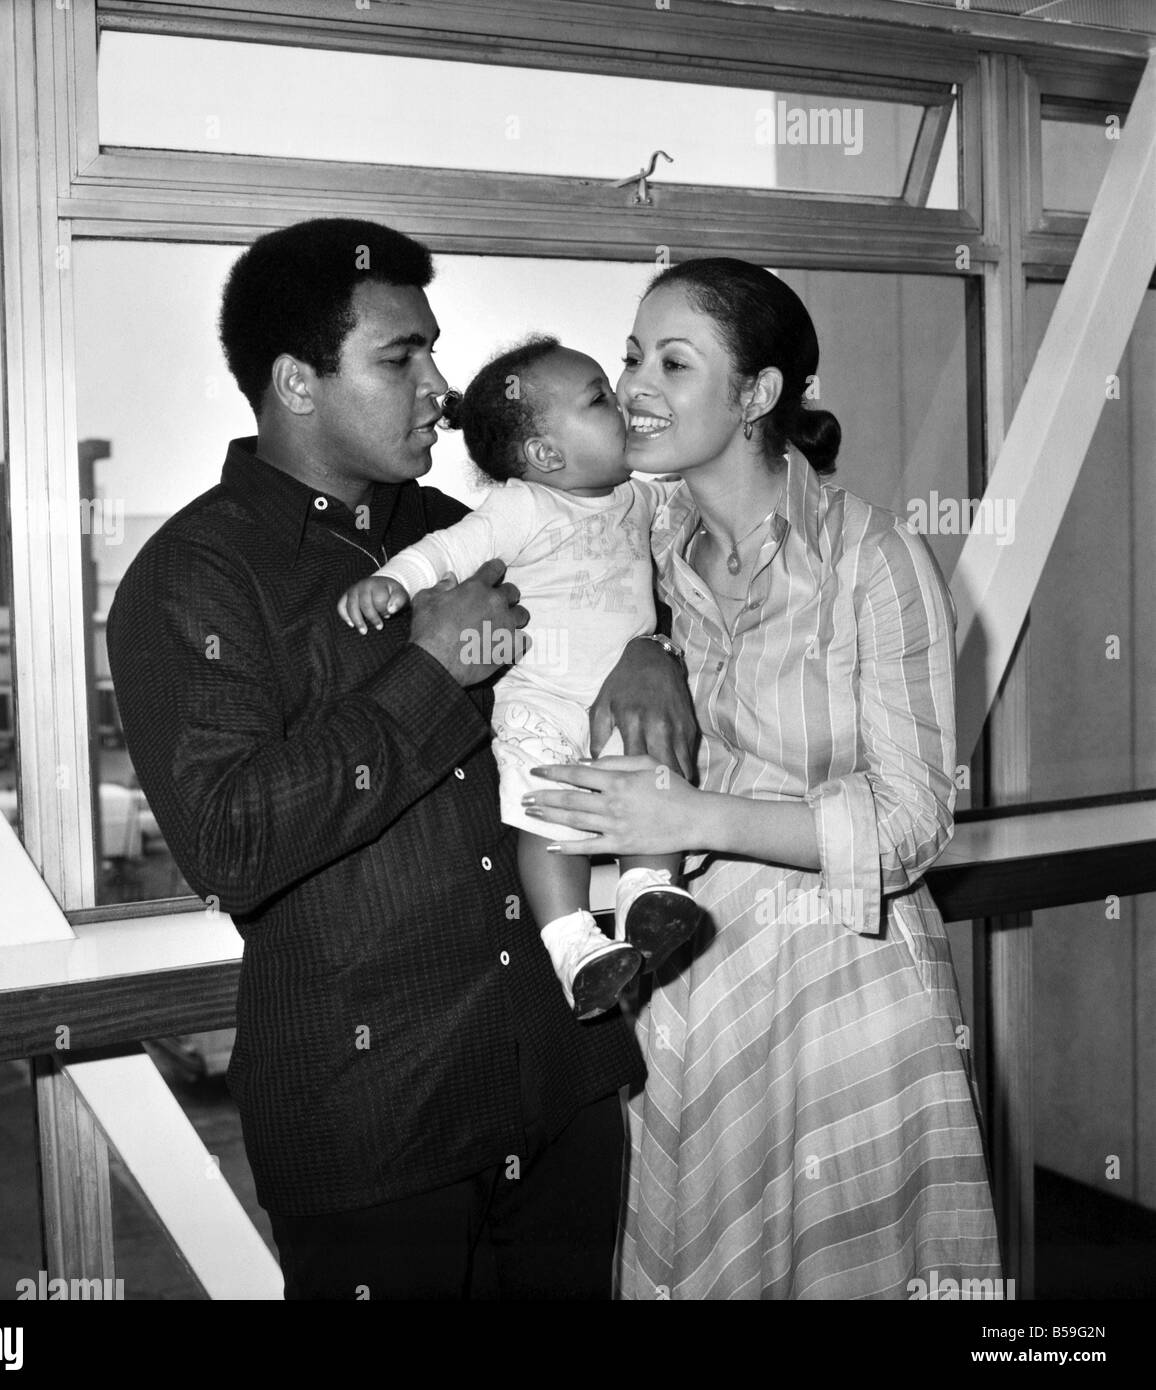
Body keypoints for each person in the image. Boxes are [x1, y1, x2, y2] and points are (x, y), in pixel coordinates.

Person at [105, 219, 700, 1300]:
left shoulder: (464, 522)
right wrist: (429, 670)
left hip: (558, 1080)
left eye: (433, 348)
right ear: (295, 380)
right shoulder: (191, 578)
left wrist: (653, 650)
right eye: (401, 358)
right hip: (377, 1125)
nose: (441, 385)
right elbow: (234, 843)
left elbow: (606, 591)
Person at [523, 257, 1003, 1299]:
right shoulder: (632, 549)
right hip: (690, 989)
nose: (638, 384)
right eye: (633, 356)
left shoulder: (873, 557)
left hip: (845, 986)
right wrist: (643, 642)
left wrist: (692, 814)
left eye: (675, 361)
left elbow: (915, 822)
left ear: (758, 394)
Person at [338, 337, 703, 1023]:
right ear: (545, 455)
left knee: (653, 787)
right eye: (599, 397)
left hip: (618, 704)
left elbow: (698, 522)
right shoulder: (523, 507)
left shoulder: (640, 500)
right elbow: (448, 551)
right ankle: (571, 944)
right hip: (542, 702)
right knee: (548, 823)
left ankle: (648, 893)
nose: (622, 402)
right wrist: (392, 582)